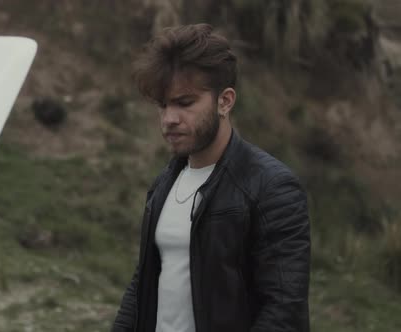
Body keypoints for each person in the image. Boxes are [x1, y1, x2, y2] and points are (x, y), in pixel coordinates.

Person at [112, 24, 310, 332]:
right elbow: (143, 283)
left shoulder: (271, 187)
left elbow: (284, 310)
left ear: (225, 101)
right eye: (163, 105)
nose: (169, 119)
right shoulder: (163, 185)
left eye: (185, 103)